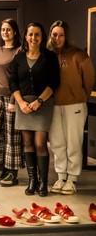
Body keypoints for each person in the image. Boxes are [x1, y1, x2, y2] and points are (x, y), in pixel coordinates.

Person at [9, 22, 60, 197]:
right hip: (23, 104)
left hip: (43, 104)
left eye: (37, 34)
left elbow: (54, 82)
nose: (33, 38)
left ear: (42, 37)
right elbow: (12, 81)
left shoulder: (50, 57)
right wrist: (20, 102)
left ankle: (43, 181)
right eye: (30, 34)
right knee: (28, 143)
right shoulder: (19, 57)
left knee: (40, 143)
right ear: (25, 36)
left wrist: (39, 100)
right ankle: (33, 181)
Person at [47, 20, 94, 195]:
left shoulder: (79, 55)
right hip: (53, 105)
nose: (57, 38)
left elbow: (88, 81)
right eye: (54, 34)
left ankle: (72, 179)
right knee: (57, 143)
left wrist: (80, 96)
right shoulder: (48, 54)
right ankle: (61, 176)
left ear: (66, 36)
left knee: (74, 143)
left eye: (60, 35)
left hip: (75, 104)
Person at [0, 19, 22, 187]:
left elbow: (19, 78)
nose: (5, 32)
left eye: (8, 29)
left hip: (11, 98)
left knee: (12, 136)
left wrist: (14, 100)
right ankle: (0, 169)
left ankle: (12, 172)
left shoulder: (19, 51)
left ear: (15, 32)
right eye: (3, 29)